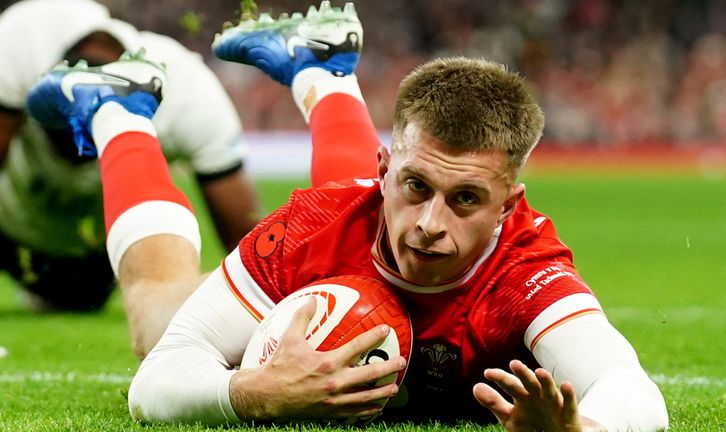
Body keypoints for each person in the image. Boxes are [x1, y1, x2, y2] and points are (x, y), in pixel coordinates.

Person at [27, 1, 669, 430]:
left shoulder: (524, 269)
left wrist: (584, 429)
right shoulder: (314, 227)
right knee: (157, 315)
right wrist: (256, 391)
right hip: (343, 227)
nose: (430, 224)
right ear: (385, 168)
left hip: (358, 227)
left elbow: (630, 388)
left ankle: (323, 70)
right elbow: (156, 382)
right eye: (415, 185)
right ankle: (116, 109)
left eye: (466, 199)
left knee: (369, 223)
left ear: (509, 203)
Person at [0, 0, 260, 358]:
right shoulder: (24, 38)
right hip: (9, 236)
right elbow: (254, 252)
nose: (75, 164)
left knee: (101, 308)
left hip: (94, 260)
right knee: (164, 322)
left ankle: (114, 117)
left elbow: (246, 242)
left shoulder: (191, 92)